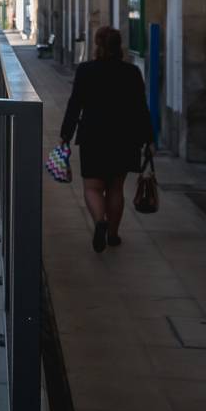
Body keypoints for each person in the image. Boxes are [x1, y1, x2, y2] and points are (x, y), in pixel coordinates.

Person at [59, 26, 153, 251]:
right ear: (119, 46)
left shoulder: (85, 70)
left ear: (97, 45)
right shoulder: (131, 72)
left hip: (93, 136)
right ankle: (113, 234)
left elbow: (75, 105)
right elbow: (141, 109)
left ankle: (100, 221)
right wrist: (149, 139)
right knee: (115, 187)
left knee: (92, 187)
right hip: (124, 137)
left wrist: (65, 136)